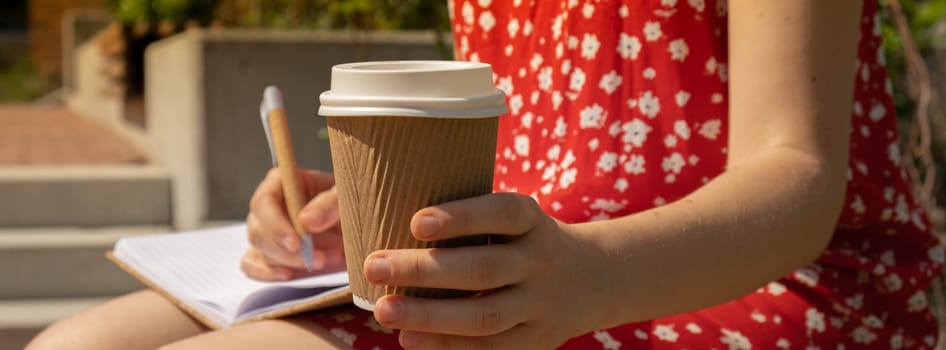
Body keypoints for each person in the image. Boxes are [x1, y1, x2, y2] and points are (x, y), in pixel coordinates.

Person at [27, 0, 944, 349]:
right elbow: (540, 151)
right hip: (536, 264)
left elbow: (799, 178)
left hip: (733, 280)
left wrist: (589, 278)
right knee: (75, 344)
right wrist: (375, 213)